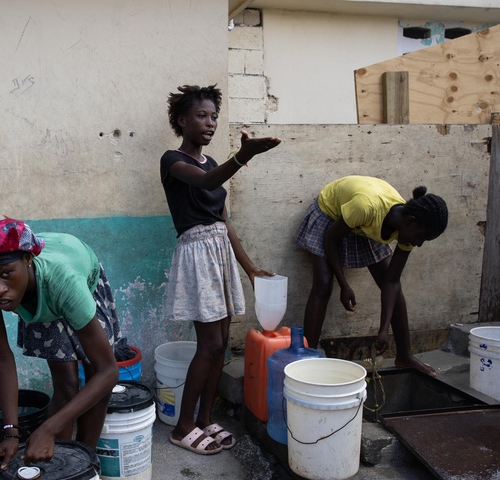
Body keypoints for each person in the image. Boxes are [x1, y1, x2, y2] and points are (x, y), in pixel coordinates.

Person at [0, 216, 120, 478]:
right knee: (66, 385)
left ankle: (85, 461)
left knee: (94, 376)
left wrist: (48, 429)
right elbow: (2, 355)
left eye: (6, 274)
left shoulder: (63, 282)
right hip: (38, 293)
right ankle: (54, 466)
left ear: (28, 260)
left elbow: (108, 371)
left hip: (73, 273)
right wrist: (11, 433)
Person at [161, 84, 281, 455]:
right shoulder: (172, 160)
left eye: (214, 116)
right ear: (182, 120)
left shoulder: (213, 163)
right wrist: (243, 156)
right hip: (197, 253)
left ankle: (204, 418)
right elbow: (205, 183)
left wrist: (249, 268)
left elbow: (224, 221)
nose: (210, 122)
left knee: (220, 348)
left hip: (220, 254)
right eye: (201, 115)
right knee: (209, 344)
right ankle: (183, 426)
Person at [295, 175, 448, 376]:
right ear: (410, 222)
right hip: (331, 215)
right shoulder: (366, 207)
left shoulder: (406, 228)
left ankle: (404, 356)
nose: (418, 244)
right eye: (420, 238)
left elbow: (392, 281)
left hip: (360, 225)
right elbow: (331, 239)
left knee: (394, 288)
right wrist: (344, 284)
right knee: (323, 284)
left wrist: (383, 329)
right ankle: (307, 358)